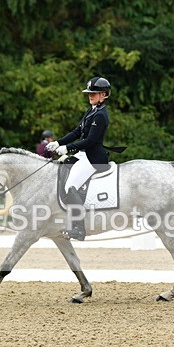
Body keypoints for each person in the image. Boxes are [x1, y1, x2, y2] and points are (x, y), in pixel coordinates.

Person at [45, 76, 112, 240]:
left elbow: (91, 141)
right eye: (89, 93)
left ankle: (79, 228)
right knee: (61, 170)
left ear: (103, 95)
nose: (90, 96)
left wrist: (68, 148)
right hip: (83, 154)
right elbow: (77, 132)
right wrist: (58, 142)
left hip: (93, 157)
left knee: (71, 186)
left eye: (93, 93)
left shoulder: (101, 115)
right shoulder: (91, 111)